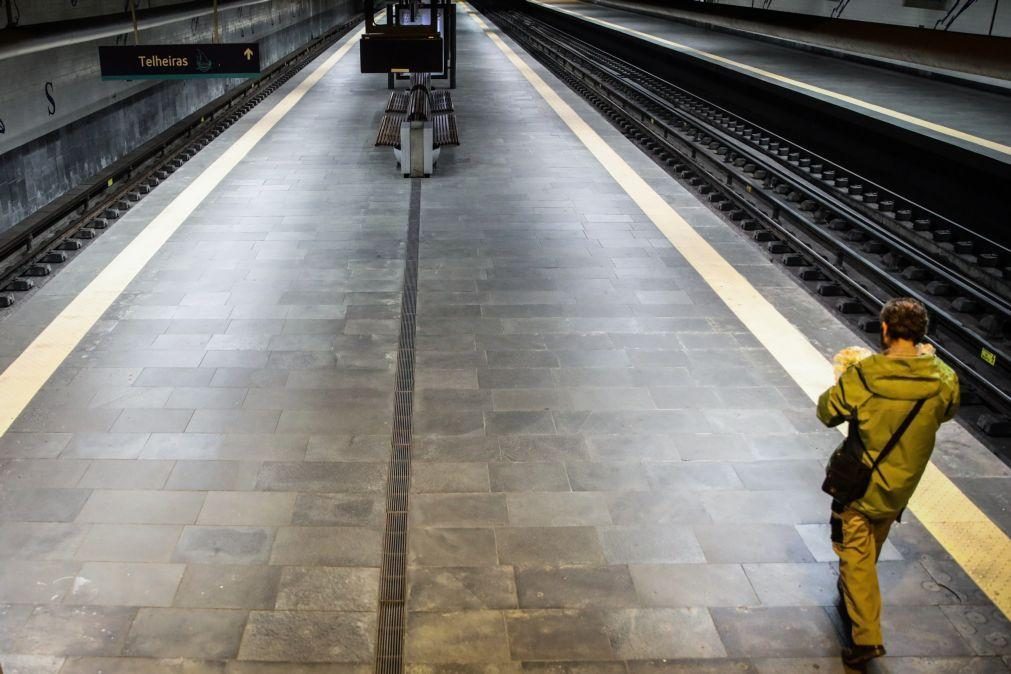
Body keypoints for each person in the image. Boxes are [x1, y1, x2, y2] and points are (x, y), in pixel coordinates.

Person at [817, 298, 959, 668]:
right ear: (921, 335)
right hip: (902, 484)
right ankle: (855, 594)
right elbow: (947, 411)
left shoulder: (865, 375)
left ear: (884, 329)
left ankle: (866, 638)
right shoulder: (942, 378)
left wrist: (843, 381)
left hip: (863, 484)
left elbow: (827, 412)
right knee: (868, 549)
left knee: (856, 555)